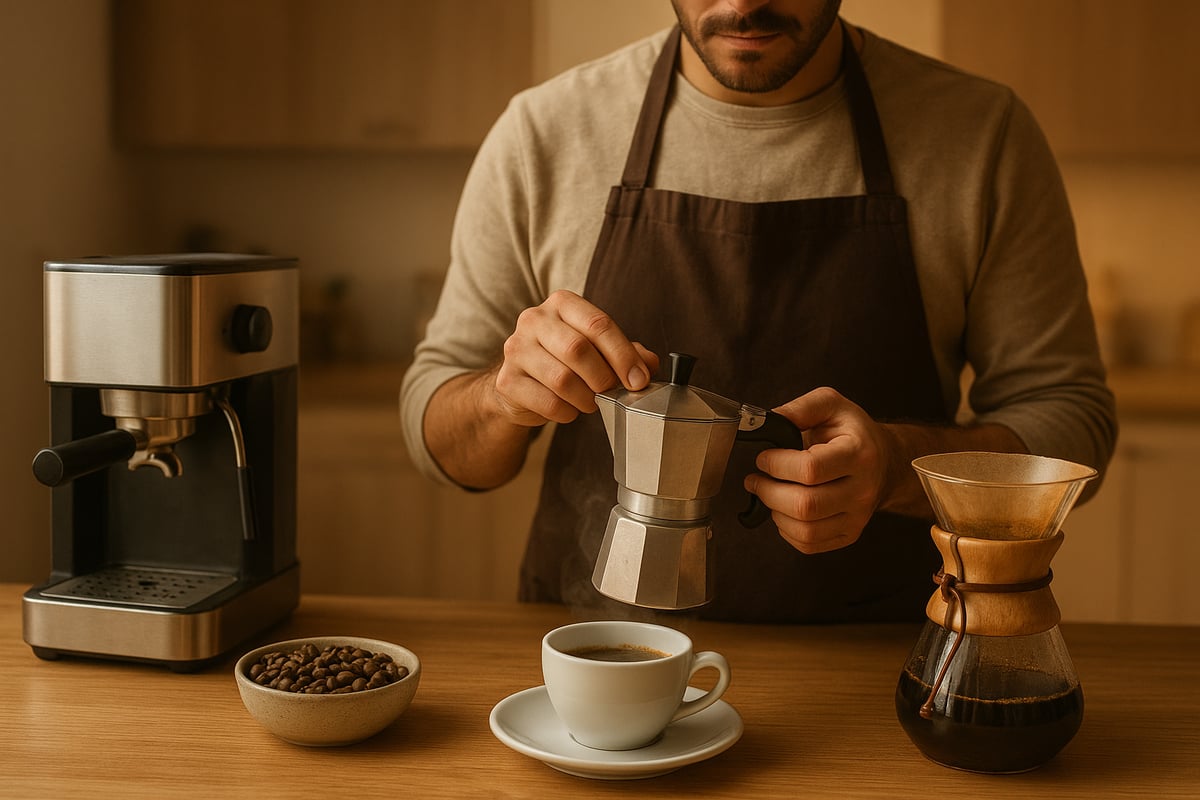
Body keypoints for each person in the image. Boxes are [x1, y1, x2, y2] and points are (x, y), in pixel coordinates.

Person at [400, 0, 1117, 623]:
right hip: (593, 654)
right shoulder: (545, 132)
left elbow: (1071, 426)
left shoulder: (983, 135)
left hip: (877, 666)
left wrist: (898, 467)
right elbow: (436, 437)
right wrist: (501, 399)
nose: (744, 4)